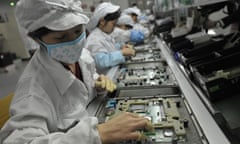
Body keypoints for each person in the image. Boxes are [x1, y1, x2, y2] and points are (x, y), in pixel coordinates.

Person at [0, 0, 152, 144]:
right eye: (61, 37)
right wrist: (94, 135)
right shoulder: (32, 90)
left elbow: (82, 85)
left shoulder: (82, 55)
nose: (73, 42)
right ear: (37, 39)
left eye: (78, 31)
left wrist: (96, 83)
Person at [86, 2, 136, 75]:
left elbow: (108, 48)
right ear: (102, 21)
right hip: (105, 78)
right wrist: (122, 53)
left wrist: (120, 47)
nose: (114, 27)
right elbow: (101, 61)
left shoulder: (104, 34)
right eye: (113, 24)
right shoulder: (94, 39)